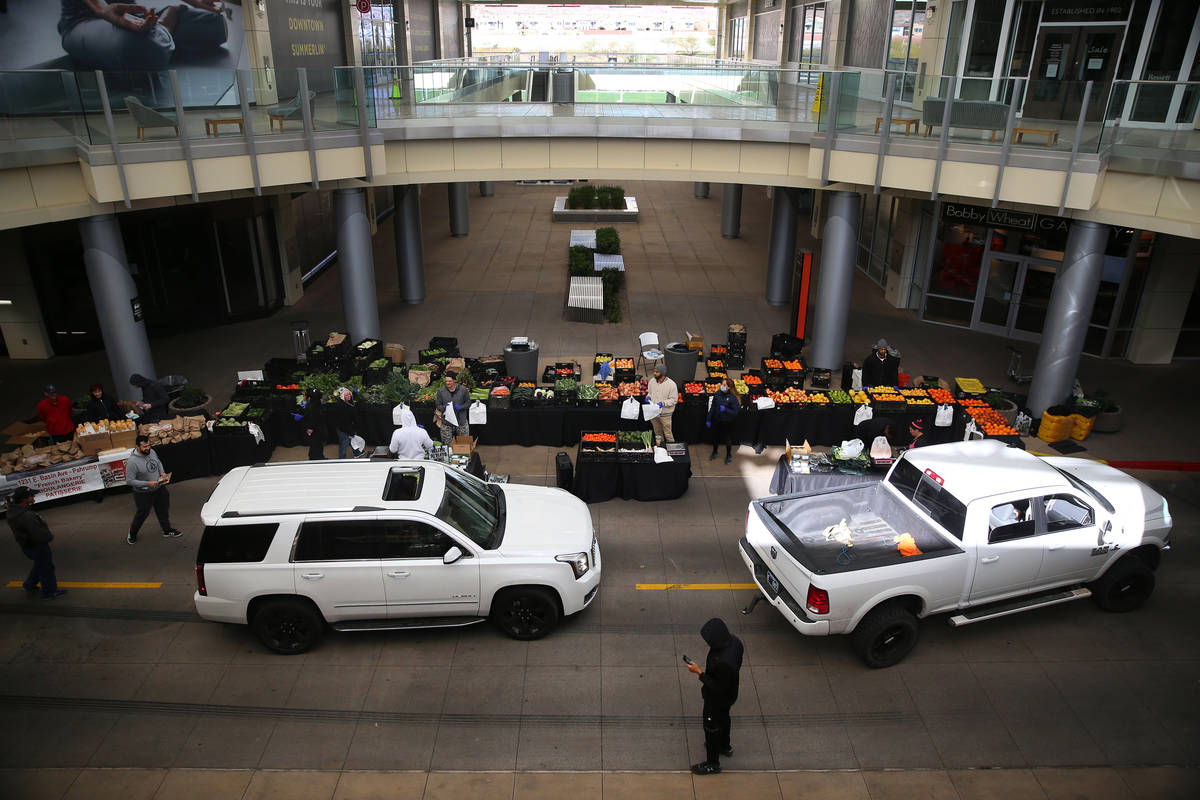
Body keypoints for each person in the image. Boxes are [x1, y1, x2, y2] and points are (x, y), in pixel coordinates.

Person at [59, 1, 229, 72]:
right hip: (85, 22)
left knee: (214, 25)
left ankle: (160, 34)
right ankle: (164, 27)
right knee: (141, 45)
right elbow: (100, 7)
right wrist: (102, 10)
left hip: (132, 16)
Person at [687, 617, 745, 776]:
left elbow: (717, 686)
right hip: (731, 693)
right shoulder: (735, 642)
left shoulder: (723, 662)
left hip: (717, 698)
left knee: (711, 727)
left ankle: (712, 763)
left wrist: (699, 672)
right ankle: (725, 746)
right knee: (725, 718)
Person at [6, 486, 68, 599]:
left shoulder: (13, 512)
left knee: (40, 565)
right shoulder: (26, 516)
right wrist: (48, 537)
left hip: (27, 546)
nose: (33, 496)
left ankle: (28, 585)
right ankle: (49, 592)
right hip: (37, 546)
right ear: (24, 499)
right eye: (31, 495)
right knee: (47, 568)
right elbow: (38, 533)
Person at [125, 433, 181, 544]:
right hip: (143, 493)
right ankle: (132, 533)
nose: (148, 448)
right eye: (144, 447)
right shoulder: (132, 462)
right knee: (142, 514)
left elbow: (158, 462)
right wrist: (147, 484)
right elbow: (130, 481)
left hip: (159, 488)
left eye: (149, 445)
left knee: (163, 510)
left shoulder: (152, 452)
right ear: (137, 447)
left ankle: (167, 530)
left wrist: (162, 472)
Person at [706, 377, 740, 464]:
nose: (722, 386)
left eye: (724, 385)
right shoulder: (717, 394)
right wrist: (709, 419)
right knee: (715, 437)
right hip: (717, 420)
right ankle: (715, 452)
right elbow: (713, 408)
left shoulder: (733, 398)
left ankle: (729, 455)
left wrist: (725, 409)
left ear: (729, 387)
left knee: (727, 439)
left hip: (727, 422)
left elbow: (735, 412)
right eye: (722, 384)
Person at [434, 371, 471, 446]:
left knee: (464, 443)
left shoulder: (463, 390)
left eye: (450, 381)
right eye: (446, 381)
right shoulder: (441, 391)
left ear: (454, 380)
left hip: (461, 421)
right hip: (447, 422)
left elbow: (468, 403)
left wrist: (461, 407)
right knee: (447, 445)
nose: (447, 383)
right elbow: (438, 405)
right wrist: (443, 407)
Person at [645, 364, 678, 445]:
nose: (654, 373)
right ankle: (660, 447)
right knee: (657, 432)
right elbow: (650, 393)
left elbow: (674, 400)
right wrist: (648, 397)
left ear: (662, 373)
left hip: (665, 414)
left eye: (657, 372)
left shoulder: (671, 385)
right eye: (654, 371)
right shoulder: (652, 381)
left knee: (668, 433)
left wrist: (662, 403)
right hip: (654, 413)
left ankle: (671, 447)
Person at [330, 388, 359, 459]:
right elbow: (343, 422)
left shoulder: (348, 402)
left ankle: (357, 453)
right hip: (343, 429)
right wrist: (350, 431)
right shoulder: (341, 406)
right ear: (343, 397)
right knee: (344, 444)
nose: (349, 396)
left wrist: (354, 393)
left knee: (353, 441)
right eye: (347, 395)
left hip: (349, 426)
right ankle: (342, 459)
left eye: (350, 394)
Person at [300, 388, 325, 460]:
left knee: (315, 444)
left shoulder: (311, 405)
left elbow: (311, 418)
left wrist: (309, 429)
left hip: (314, 428)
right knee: (317, 444)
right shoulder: (316, 404)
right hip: (317, 428)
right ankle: (317, 457)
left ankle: (315, 457)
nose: (304, 397)